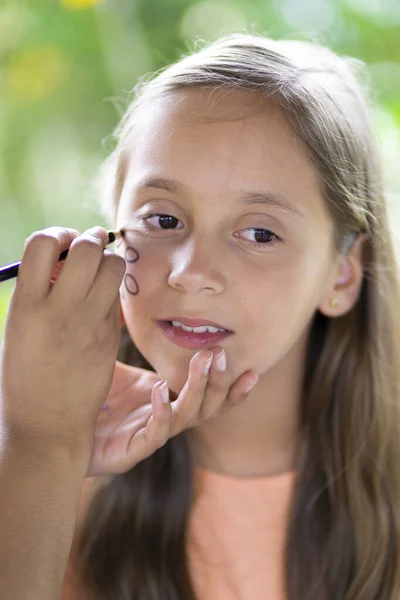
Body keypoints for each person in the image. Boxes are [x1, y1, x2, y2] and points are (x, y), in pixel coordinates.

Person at [1, 32, 400, 600]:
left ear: (342, 273)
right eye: (163, 220)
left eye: (259, 232)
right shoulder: (39, 464)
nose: (190, 272)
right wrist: (40, 454)